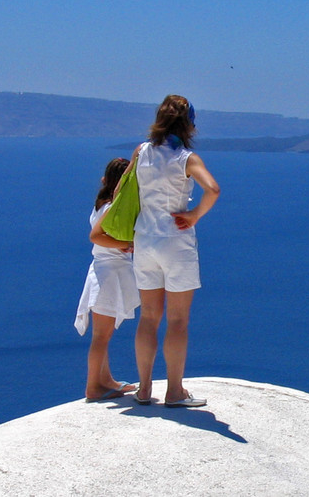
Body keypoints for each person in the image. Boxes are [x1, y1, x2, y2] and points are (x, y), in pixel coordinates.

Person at [92, 95, 220, 407]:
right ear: (188, 123)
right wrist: (193, 215)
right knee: (178, 320)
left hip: (144, 242)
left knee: (149, 317)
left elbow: (123, 189)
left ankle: (145, 389)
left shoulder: (141, 151)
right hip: (176, 243)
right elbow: (213, 189)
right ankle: (174, 391)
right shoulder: (187, 159)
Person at [76, 158, 141, 402]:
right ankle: (93, 387)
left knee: (103, 335)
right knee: (101, 336)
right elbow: (96, 236)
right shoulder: (112, 207)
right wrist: (127, 244)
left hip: (106, 273)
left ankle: (106, 380)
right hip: (108, 275)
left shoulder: (102, 204)